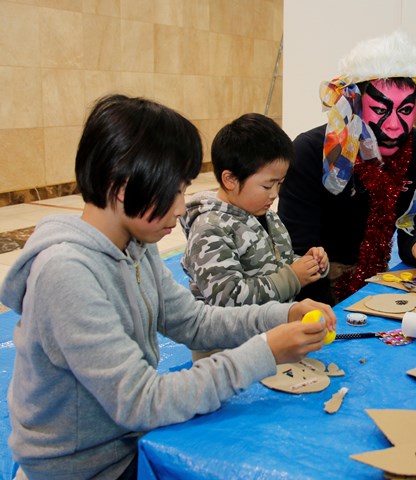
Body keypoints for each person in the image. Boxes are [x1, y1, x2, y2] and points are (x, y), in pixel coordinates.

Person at [0, 94, 335, 480]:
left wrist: (283, 313)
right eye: (174, 190)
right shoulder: (66, 273)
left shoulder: (136, 247)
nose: (181, 208)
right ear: (124, 187)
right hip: (84, 468)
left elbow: (193, 321)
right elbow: (141, 400)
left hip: (129, 441)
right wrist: (265, 351)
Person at [278, 31, 416, 303]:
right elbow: (298, 251)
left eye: (405, 110)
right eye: (381, 110)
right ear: (355, 106)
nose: (394, 125)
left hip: (377, 284)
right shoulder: (312, 152)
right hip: (314, 289)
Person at [181, 113, 329, 308]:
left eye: (280, 183)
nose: (274, 194)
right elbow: (227, 298)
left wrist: (309, 264)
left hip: (273, 328)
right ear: (230, 180)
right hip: (237, 337)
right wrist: (292, 278)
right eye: (267, 186)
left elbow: (276, 263)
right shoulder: (209, 230)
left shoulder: (267, 216)